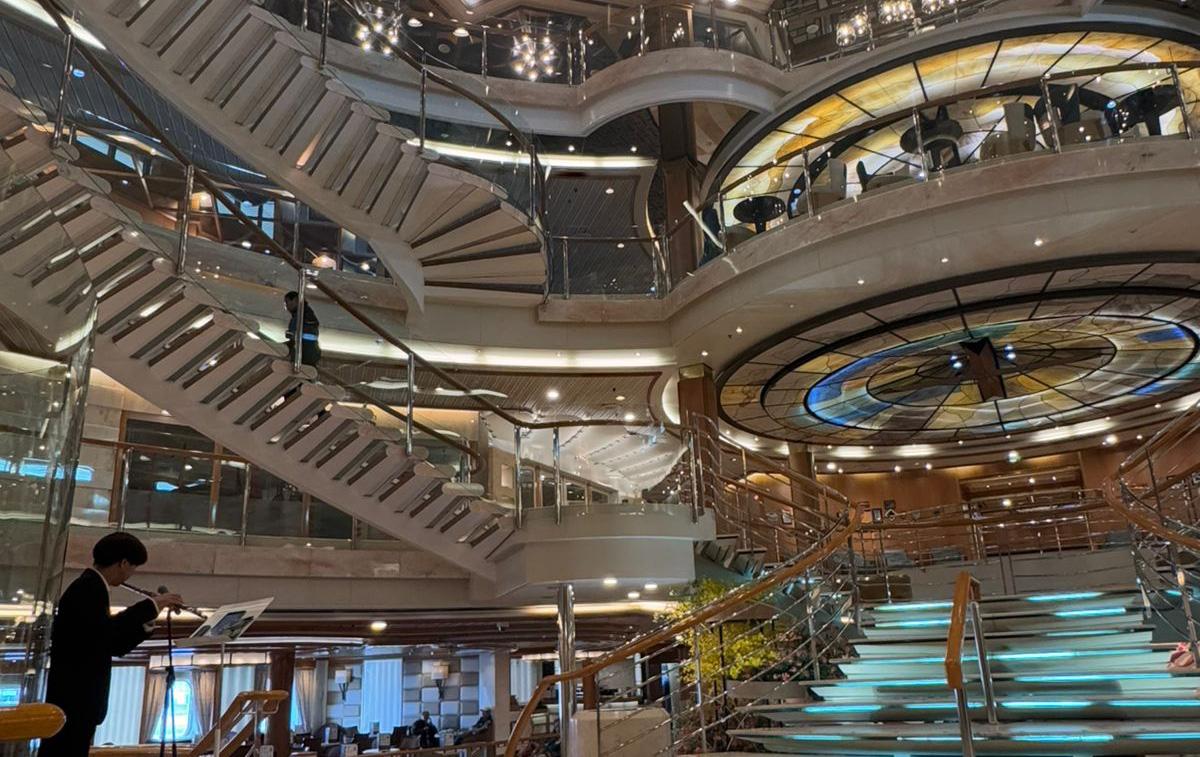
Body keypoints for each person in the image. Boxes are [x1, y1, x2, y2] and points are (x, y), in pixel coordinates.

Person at [41, 532, 183, 757]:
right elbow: (105, 633)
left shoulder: (91, 586)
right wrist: (151, 605)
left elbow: (112, 645)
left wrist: (148, 619)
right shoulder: (88, 588)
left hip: (78, 703)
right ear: (123, 563)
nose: (131, 574)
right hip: (75, 700)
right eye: (133, 567)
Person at [284, 290, 321, 367]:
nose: (287, 306)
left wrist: (293, 336)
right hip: (305, 354)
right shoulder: (301, 315)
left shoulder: (304, 315)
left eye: (287, 302)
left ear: (295, 300)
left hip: (306, 355)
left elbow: (311, 335)